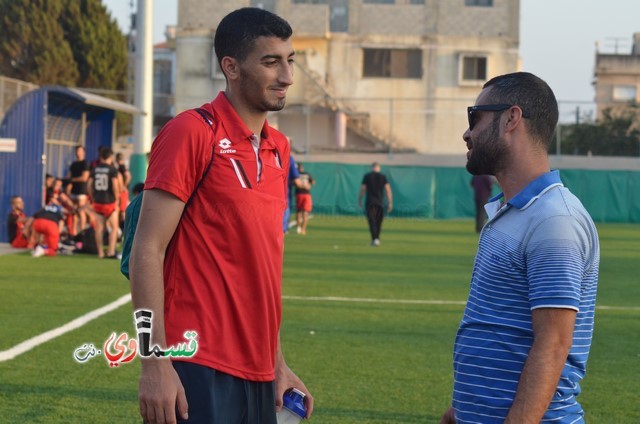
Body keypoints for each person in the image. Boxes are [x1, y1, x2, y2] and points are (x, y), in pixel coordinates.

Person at [129, 8, 313, 424]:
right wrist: (154, 363)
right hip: (196, 361)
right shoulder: (192, 132)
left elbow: (260, 269)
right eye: (271, 62)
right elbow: (147, 249)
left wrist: (277, 362)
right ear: (230, 67)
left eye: (290, 60)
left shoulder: (279, 147)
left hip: (260, 369)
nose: (286, 76)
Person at [440, 72, 600, 423]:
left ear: (511, 118)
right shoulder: (511, 212)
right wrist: (462, 410)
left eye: (475, 118)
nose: (467, 133)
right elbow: (497, 323)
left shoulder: (553, 220)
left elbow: (553, 344)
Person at [88, 147, 120, 259]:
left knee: (99, 228)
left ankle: (100, 253)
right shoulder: (112, 170)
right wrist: (117, 199)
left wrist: (92, 198)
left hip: (98, 202)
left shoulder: (95, 169)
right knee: (114, 228)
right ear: (110, 157)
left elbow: (89, 185)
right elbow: (115, 186)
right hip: (109, 201)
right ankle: (111, 251)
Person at [358, 162, 393, 246]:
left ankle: (375, 239)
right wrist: (390, 202)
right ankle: (376, 239)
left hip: (370, 202)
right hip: (380, 202)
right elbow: (388, 190)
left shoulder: (367, 176)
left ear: (371, 168)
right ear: (379, 168)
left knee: (372, 221)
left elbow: (363, 189)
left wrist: (360, 199)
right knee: (378, 222)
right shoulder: (383, 177)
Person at [66, 145, 90, 234]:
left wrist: (72, 179)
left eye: (80, 151)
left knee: (81, 211)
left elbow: (84, 178)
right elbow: (68, 176)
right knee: (74, 212)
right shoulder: (73, 164)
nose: (78, 153)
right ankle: (74, 233)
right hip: (74, 191)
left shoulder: (85, 163)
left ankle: (82, 232)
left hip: (81, 191)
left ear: (83, 152)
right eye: (77, 151)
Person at [295, 162, 314, 235]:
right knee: (304, 212)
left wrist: (309, 184)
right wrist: (307, 185)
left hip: (300, 194)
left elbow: (312, 182)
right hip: (304, 194)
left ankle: (300, 228)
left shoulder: (297, 174)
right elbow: (313, 182)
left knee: (300, 211)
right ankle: (302, 229)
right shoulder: (305, 174)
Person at [115, 152, 131, 229]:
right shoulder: (122, 167)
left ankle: (123, 229)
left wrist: (123, 186)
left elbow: (128, 176)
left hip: (122, 192)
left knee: (122, 211)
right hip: (123, 191)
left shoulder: (122, 167)